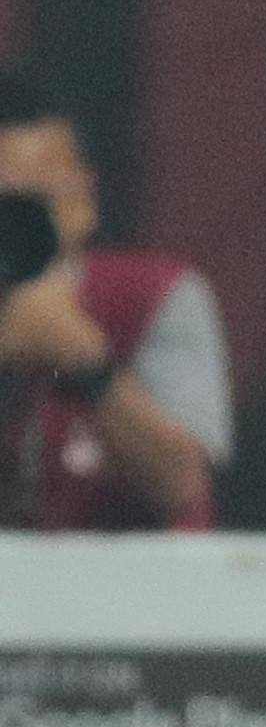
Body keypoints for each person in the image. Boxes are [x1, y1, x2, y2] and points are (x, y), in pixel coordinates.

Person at [0, 72, 230, 530]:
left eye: (30, 204)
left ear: (83, 198)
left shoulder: (158, 297)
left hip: (135, 572)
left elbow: (183, 484)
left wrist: (88, 366)